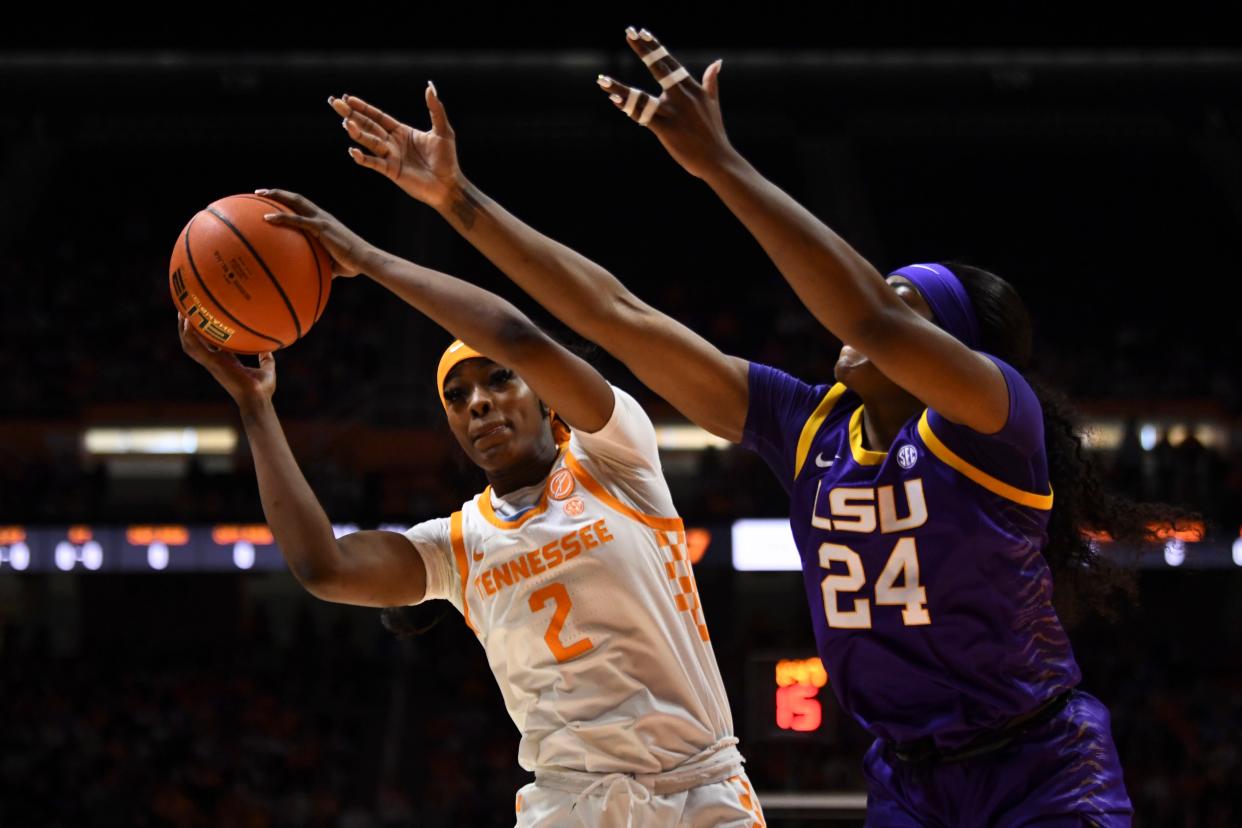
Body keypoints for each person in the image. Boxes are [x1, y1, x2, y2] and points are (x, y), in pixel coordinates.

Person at [328, 28, 1189, 825]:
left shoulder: (997, 421)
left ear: (952, 349)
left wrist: (722, 166)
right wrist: (455, 198)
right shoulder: (805, 422)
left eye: (901, 299)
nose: (860, 311)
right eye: (875, 291)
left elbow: (867, 314)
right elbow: (616, 312)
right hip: (908, 775)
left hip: (1041, 762)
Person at [176, 191, 765, 828]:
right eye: (457, 397)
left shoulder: (618, 460)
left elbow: (519, 337)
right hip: (569, 806)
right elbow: (325, 567)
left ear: (547, 400)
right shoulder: (458, 544)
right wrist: (256, 406)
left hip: (700, 794)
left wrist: (368, 259)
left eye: (499, 380)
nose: (477, 403)